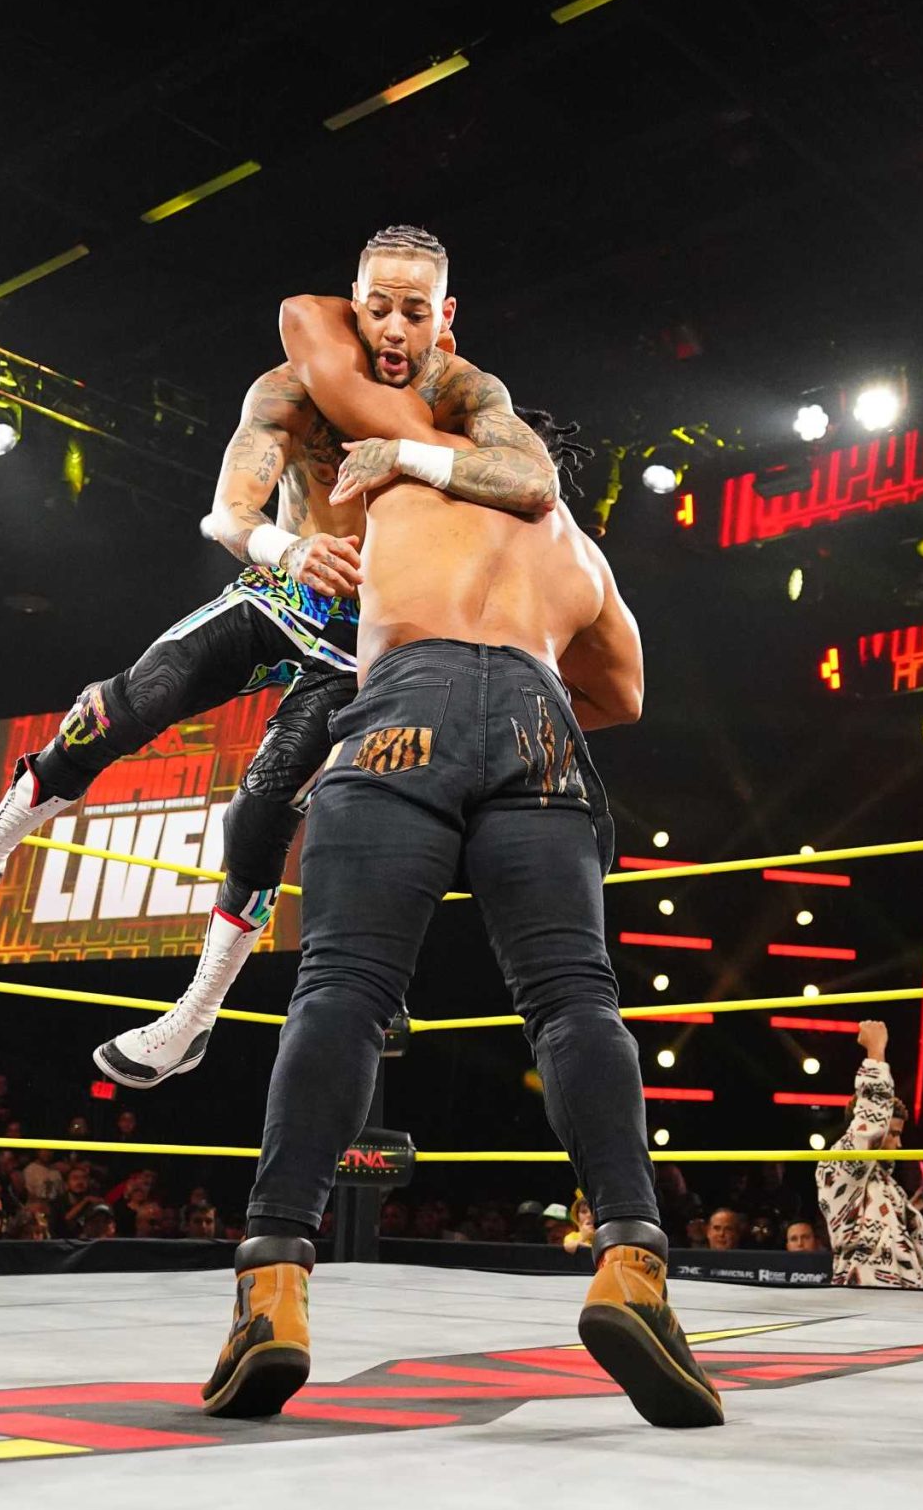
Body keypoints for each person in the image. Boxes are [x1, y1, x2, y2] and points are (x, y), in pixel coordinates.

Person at [203, 236, 719, 1432]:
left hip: (407, 701)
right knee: (575, 999)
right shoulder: (575, 548)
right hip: (544, 727)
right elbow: (626, 694)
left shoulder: (394, 453)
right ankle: (633, 1261)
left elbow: (304, 325)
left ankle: (272, 1285)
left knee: (343, 989)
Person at [0, 227, 550, 1097]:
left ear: (444, 316)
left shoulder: (465, 395)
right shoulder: (295, 386)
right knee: (124, 701)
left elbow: (536, 483)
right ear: (353, 302)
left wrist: (409, 455)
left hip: (371, 637)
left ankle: (192, 1017)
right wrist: (289, 549)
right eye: (378, 306)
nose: (392, 329)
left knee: (259, 811)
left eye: (414, 312)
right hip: (284, 588)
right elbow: (227, 512)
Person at [814, 1019, 923, 1290]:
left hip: (905, 1303)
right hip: (862, 1299)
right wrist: (875, 1053)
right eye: (893, 1134)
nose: (898, 1145)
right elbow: (870, 1124)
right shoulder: (837, 1167)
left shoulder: (890, 1188)